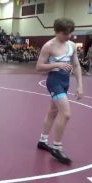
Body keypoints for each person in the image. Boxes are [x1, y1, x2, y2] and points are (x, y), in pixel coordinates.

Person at [36, 18, 84, 164]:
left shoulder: (72, 45)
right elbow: (38, 67)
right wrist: (58, 64)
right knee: (66, 113)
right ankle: (57, 146)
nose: (68, 36)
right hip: (54, 81)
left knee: (53, 112)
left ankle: (43, 141)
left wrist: (80, 85)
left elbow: (76, 65)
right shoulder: (48, 46)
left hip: (65, 81)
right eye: (65, 33)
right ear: (57, 32)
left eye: (70, 33)